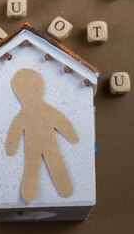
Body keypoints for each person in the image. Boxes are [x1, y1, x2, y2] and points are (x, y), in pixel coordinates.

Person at [6, 68, 79, 202]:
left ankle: (63, 189)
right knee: (40, 165)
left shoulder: (27, 113)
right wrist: (73, 137)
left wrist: (11, 148)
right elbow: (61, 121)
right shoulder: (34, 112)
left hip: (45, 144)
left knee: (40, 165)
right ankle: (31, 194)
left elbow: (61, 122)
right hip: (36, 145)